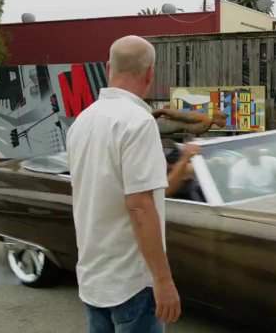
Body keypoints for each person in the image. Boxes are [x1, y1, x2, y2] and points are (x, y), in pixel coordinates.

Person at [67, 35, 180, 333]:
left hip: (93, 277)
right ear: (150, 73)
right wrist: (164, 280)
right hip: (132, 283)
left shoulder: (82, 122)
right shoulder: (138, 123)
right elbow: (141, 206)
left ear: (108, 68)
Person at [154, 108, 227, 136]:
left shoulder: (207, 125)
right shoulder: (204, 119)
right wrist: (162, 111)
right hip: (166, 125)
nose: (224, 123)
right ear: (218, 118)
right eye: (223, 120)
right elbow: (181, 115)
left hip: (169, 129)